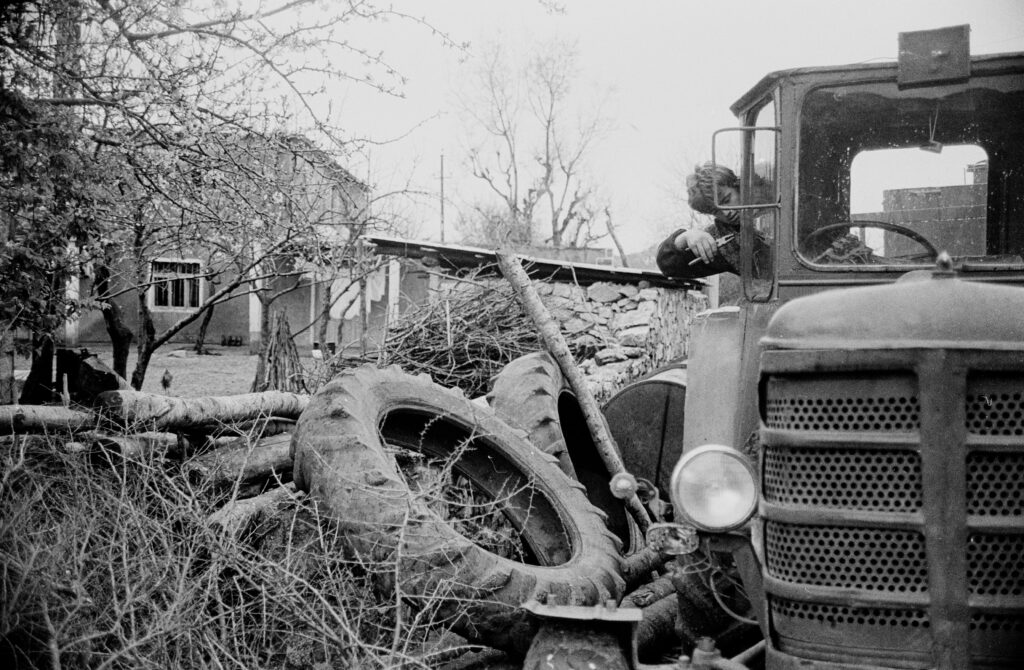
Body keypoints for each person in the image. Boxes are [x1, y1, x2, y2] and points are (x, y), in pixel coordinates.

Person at [656, 162, 768, 279]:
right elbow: (667, 264)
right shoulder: (723, 240)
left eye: (726, 200)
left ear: (736, 185)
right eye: (715, 211)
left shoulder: (769, 190)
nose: (726, 213)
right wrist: (686, 237)